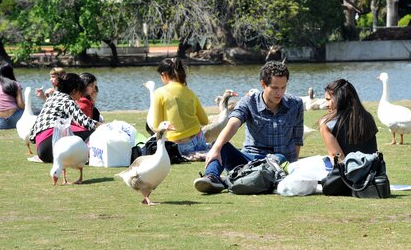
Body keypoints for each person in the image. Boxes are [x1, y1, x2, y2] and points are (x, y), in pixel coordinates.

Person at [193, 61, 304, 194]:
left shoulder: (296, 104)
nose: (279, 93)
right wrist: (216, 148)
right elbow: (233, 123)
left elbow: (297, 139)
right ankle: (211, 177)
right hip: (250, 161)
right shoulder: (249, 102)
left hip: (279, 163)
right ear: (263, 84)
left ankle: (235, 180)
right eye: (275, 88)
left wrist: (293, 167)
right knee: (221, 145)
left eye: (283, 87)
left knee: (279, 156)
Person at [30, 73, 99, 163]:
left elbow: (32, 135)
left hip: (42, 150)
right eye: (80, 91)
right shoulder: (67, 100)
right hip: (52, 141)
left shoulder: (52, 98)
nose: (81, 94)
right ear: (74, 91)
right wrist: (104, 127)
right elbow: (84, 121)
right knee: (92, 132)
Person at [152, 57, 209, 158]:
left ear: (164, 75)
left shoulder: (159, 93)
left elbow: (157, 126)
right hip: (198, 141)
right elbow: (205, 121)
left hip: (177, 147)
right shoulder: (191, 93)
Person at [319, 79, 378, 163]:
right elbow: (373, 152)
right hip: (373, 171)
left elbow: (338, 159)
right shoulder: (367, 117)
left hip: (350, 173)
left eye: (328, 100)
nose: (326, 104)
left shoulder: (327, 124)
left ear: (339, 99)